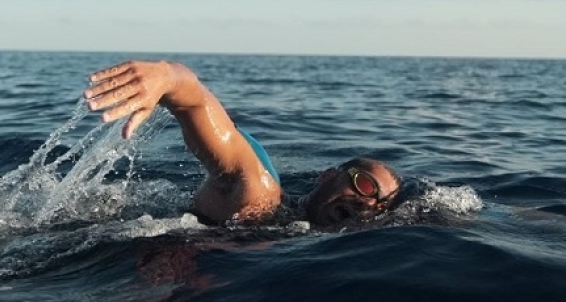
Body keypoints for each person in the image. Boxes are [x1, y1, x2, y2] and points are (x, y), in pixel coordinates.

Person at [83, 60, 400, 226]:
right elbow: (196, 104)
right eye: (365, 186)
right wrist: (169, 77)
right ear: (327, 176)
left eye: (380, 204)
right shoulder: (259, 195)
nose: (367, 203)